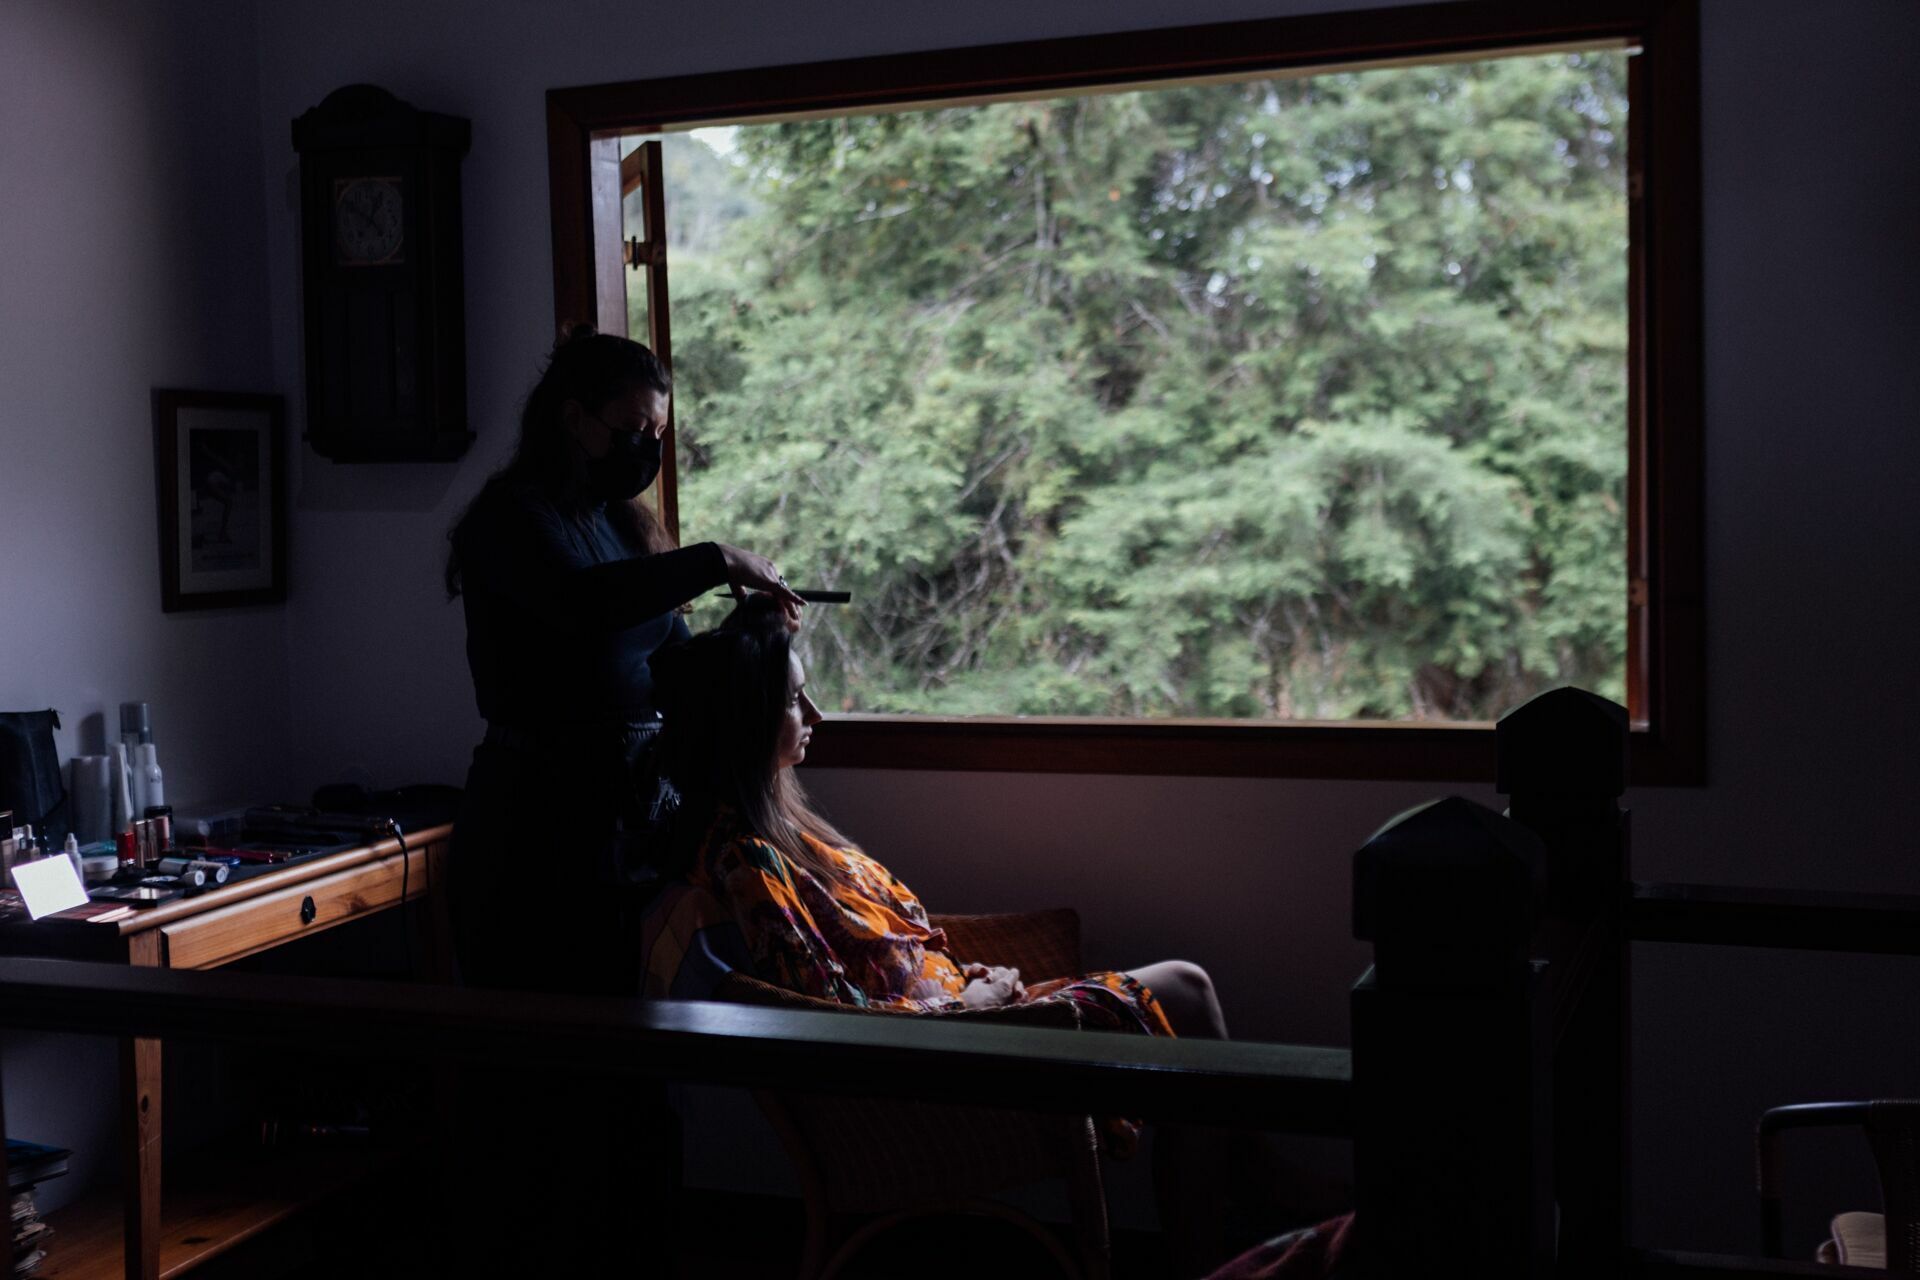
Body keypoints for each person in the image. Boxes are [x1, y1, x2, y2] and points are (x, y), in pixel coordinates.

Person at [638, 596, 1241, 1271]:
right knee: (1186, 994)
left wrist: (975, 983)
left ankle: (1233, 1208)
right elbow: (835, 1019)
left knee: (1190, 1008)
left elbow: (886, 953)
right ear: (745, 724)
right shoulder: (745, 863)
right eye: (794, 701)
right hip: (941, 1067)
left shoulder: (779, 831)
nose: (816, 716)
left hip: (971, 1027)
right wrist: (968, 1009)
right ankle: (1214, 1249)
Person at [442, 324, 804, 995]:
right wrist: (714, 559)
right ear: (574, 418)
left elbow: (678, 667)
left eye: (659, 434)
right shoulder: (512, 518)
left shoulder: (623, 524)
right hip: (531, 837)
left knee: (629, 1065)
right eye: (635, 426)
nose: (649, 448)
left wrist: (755, 632)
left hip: (627, 832)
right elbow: (582, 604)